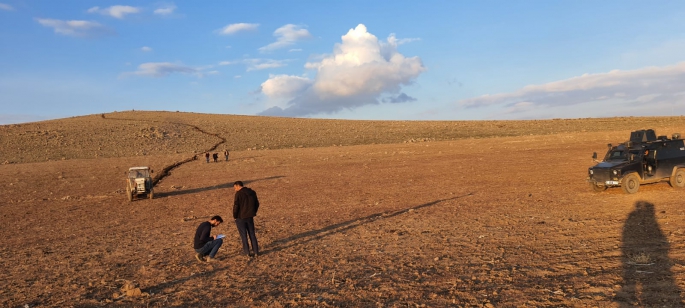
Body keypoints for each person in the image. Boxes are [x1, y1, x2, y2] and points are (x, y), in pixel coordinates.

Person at [233, 181, 260, 257]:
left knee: (244, 235)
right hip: (250, 217)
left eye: (235, 188)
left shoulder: (238, 194)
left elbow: (236, 206)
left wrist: (235, 216)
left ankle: (247, 252)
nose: (235, 189)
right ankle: (256, 251)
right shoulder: (252, 192)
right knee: (252, 234)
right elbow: (257, 204)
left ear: (238, 186)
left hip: (240, 217)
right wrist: (253, 212)